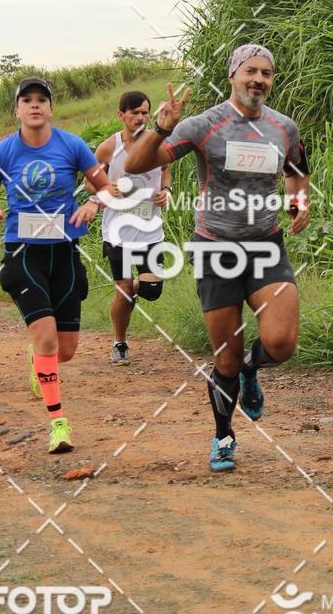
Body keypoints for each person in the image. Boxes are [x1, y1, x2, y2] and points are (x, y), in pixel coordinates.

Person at [124, 44, 311, 472]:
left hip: (266, 243)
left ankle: (251, 370)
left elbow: (297, 170)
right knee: (224, 356)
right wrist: (158, 127)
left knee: (281, 343)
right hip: (216, 247)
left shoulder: (284, 127)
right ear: (233, 75)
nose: (258, 79)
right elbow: (136, 165)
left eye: (266, 73)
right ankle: (224, 435)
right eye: (250, 71)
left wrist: (299, 202)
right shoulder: (205, 124)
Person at [0, 77, 117, 454]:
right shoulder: (1, 152)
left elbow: (105, 187)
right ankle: (58, 422)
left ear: (51, 108)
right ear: (17, 110)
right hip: (23, 252)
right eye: (27, 100)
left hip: (64, 251)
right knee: (47, 337)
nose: (35, 105)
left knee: (66, 350)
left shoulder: (72, 145)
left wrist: (92, 204)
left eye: (42, 100)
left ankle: (38, 357)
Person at [84, 90, 171, 365]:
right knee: (122, 289)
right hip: (118, 232)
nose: (140, 117)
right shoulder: (109, 147)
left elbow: (166, 169)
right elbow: (89, 182)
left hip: (150, 230)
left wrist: (166, 190)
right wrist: (105, 187)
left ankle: (131, 289)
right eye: (135, 113)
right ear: (121, 115)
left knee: (152, 291)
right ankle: (120, 342)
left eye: (145, 112)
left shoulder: (158, 144)